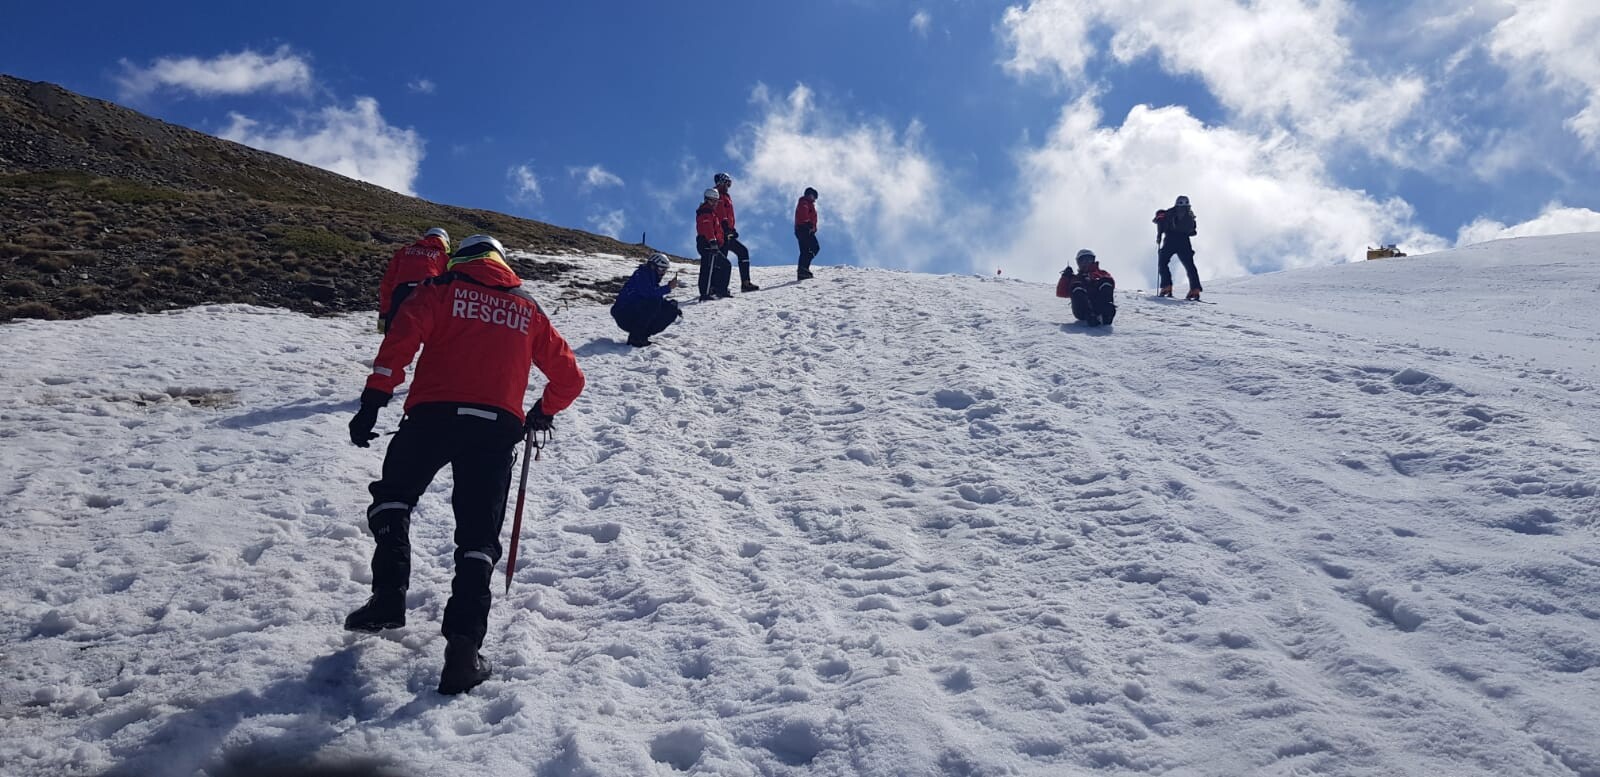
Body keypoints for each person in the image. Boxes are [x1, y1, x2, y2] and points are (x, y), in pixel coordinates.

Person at [345, 233, 585, 695]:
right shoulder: (527, 308)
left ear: (459, 259)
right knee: (477, 540)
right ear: (500, 261)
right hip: (495, 429)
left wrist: (373, 403)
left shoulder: (436, 291)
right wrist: (542, 413)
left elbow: (397, 346)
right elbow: (570, 377)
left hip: (431, 416)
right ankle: (462, 651)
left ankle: (388, 597)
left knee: (392, 501)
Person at [377, 227, 450, 332]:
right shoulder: (443, 257)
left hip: (400, 295)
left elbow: (387, 283)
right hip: (428, 295)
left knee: (395, 339)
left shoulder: (404, 252)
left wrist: (384, 314)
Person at [611, 252, 683, 347]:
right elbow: (648, 294)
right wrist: (668, 287)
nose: (663, 273)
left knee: (670, 308)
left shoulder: (652, 280)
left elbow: (655, 296)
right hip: (624, 313)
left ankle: (642, 335)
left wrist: (673, 308)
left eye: (665, 270)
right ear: (653, 266)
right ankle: (636, 338)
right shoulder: (641, 274)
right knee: (653, 302)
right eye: (661, 269)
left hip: (633, 313)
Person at [712, 172, 759, 292]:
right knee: (722, 259)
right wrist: (726, 228)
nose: (729, 186)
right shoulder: (717, 195)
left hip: (727, 233)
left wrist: (731, 230)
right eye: (727, 183)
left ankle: (745, 282)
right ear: (722, 182)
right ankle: (716, 287)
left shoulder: (726, 196)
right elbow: (721, 213)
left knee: (742, 252)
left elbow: (727, 214)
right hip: (721, 233)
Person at [1154, 195, 1202, 300]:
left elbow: (1161, 225)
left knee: (1163, 262)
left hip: (1171, 239)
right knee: (1189, 265)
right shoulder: (1189, 214)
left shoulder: (1168, 213)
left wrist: (1159, 237)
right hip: (1184, 241)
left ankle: (1167, 286)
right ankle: (1195, 289)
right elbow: (1193, 231)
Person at [1056, 248, 1117, 327]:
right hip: (1081, 310)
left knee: (1106, 282)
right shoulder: (1075, 278)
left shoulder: (1101, 273)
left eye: (1089, 259)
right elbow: (1061, 293)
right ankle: (1089, 315)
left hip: (1099, 305)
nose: (1087, 262)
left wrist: (1094, 279)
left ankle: (1107, 313)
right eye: (1083, 260)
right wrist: (1065, 277)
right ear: (1079, 263)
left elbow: (1110, 285)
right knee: (1076, 286)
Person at [695, 188, 732, 300]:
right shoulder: (706, 212)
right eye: (713, 201)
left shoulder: (710, 212)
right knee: (713, 266)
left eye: (716, 201)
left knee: (714, 265)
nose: (715, 203)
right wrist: (712, 241)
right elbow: (708, 228)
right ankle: (710, 292)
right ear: (707, 200)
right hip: (707, 243)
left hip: (709, 243)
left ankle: (714, 289)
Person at [795, 187, 819, 280]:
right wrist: (808, 223)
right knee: (814, 247)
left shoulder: (807, 203)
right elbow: (803, 212)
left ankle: (803, 270)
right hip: (804, 228)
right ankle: (803, 269)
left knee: (805, 250)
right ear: (810, 195)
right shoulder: (804, 202)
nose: (815, 199)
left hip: (804, 229)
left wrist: (814, 228)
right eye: (814, 197)